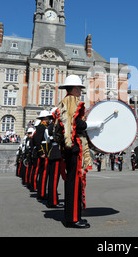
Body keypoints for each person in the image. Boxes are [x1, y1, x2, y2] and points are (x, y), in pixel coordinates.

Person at [53, 74, 102, 229]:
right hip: (74, 146)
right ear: (74, 89)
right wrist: (94, 125)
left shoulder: (63, 102)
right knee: (74, 182)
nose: (80, 91)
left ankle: (73, 216)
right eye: (79, 88)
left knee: (72, 182)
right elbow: (76, 123)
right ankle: (73, 219)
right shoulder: (74, 102)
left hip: (68, 147)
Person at [33, 110, 54, 201]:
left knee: (45, 174)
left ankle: (42, 192)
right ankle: (41, 194)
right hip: (44, 152)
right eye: (48, 118)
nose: (49, 119)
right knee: (44, 173)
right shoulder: (41, 127)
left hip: (46, 151)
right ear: (45, 118)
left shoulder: (44, 126)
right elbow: (37, 141)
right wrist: (41, 152)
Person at [46, 107, 64, 208]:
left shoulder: (50, 125)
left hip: (52, 152)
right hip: (56, 152)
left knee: (53, 178)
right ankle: (53, 201)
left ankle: (52, 200)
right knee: (54, 179)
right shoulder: (55, 125)